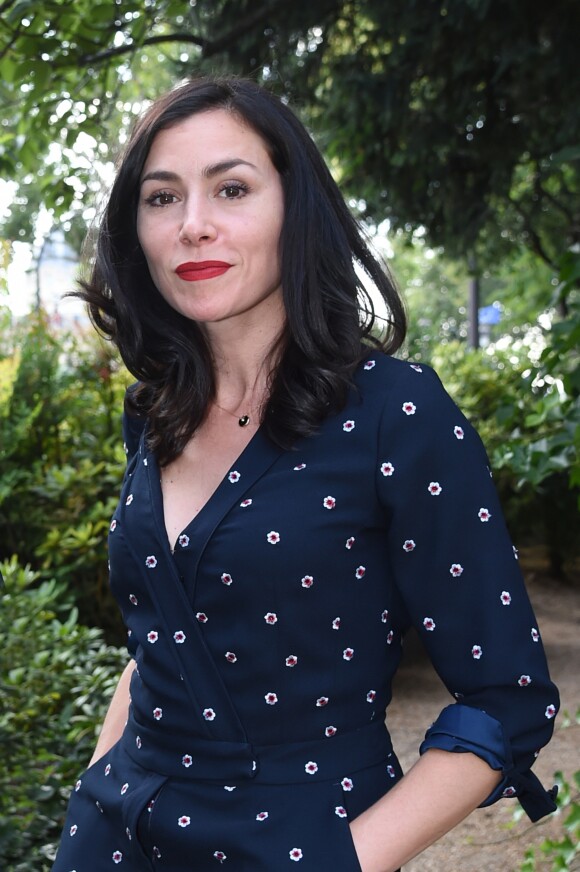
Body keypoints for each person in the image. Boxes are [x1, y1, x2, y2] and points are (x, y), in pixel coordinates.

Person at [52, 76, 559, 872]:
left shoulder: (398, 412)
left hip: (303, 841)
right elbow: (159, 638)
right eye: (161, 198)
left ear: (295, 208)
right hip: (112, 839)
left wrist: (339, 861)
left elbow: (506, 701)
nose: (193, 225)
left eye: (231, 188)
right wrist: (95, 782)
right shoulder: (154, 411)